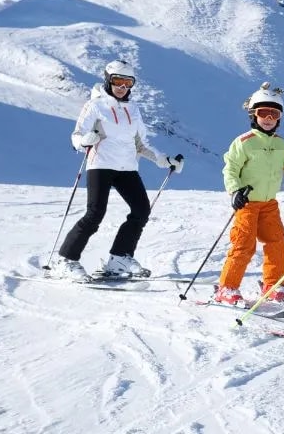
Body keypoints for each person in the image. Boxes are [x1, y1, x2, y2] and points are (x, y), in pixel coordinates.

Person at [50, 59, 184, 281]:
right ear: (108, 80)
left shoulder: (133, 109)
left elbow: (141, 144)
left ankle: (120, 257)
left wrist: (164, 160)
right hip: (101, 165)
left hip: (127, 167)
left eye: (128, 82)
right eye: (117, 81)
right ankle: (66, 260)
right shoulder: (95, 106)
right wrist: (85, 140)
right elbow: (76, 136)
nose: (122, 87)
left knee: (141, 211)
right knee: (95, 214)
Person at [214, 82, 284, 305]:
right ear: (253, 114)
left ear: (279, 118)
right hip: (247, 203)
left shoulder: (280, 144)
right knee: (244, 245)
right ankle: (227, 288)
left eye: (274, 113)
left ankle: (273, 285)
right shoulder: (244, 143)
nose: (268, 118)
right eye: (263, 113)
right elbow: (230, 169)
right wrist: (235, 191)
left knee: (277, 243)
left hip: (269, 204)